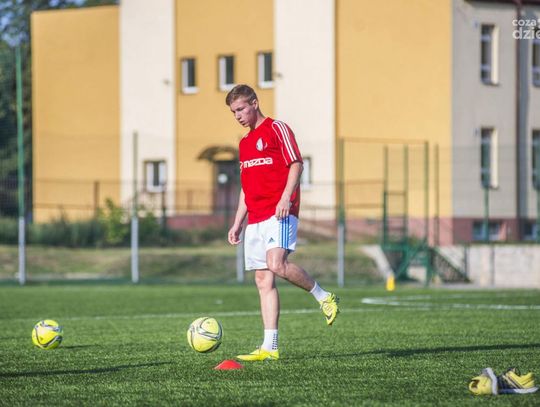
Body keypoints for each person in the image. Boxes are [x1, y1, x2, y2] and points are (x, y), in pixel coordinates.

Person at [226, 84, 340, 362]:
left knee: (276, 264)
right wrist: (237, 222)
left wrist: (286, 198)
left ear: (254, 103)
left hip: (279, 212)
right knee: (263, 279)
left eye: (241, 109)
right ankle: (270, 347)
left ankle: (324, 296)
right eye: (233, 112)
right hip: (255, 218)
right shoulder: (244, 143)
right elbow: (246, 188)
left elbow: (297, 164)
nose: (238, 115)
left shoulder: (278, 129)